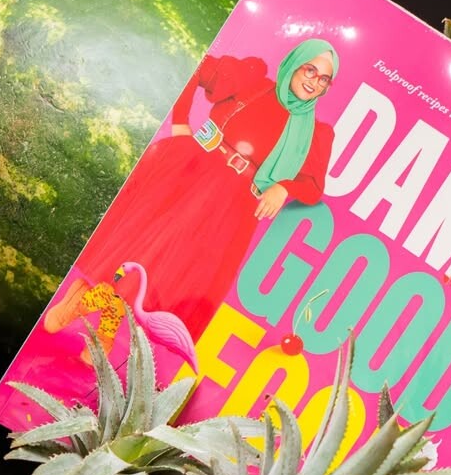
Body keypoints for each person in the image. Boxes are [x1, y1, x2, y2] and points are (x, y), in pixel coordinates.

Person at [45, 37, 340, 347]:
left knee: (167, 270)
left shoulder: (315, 133)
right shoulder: (254, 80)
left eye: (324, 79)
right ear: (295, 63)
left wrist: (283, 187)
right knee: (144, 247)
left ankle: (99, 312)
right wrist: (180, 122)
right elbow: (197, 68)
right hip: (193, 174)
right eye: (310, 70)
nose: (314, 82)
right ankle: (87, 304)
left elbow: (313, 188)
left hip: (233, 207)